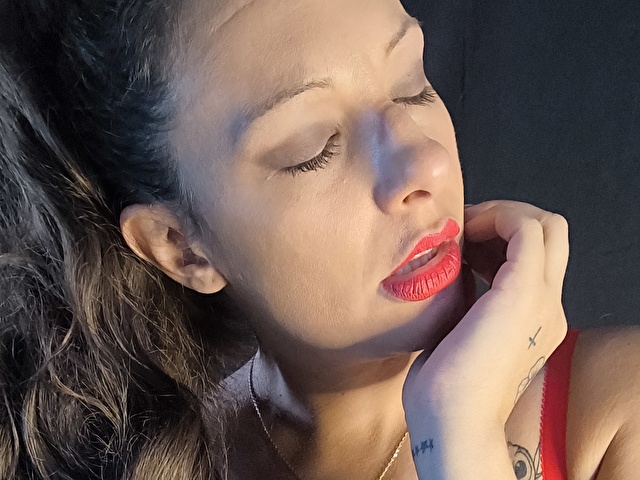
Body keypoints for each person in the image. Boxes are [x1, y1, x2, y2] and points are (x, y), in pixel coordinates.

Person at [1, 1, 639, 479]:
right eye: (313, 148)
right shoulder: (155, 461)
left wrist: (462, 432)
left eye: (412, 85)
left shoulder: (614, 413)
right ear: (181, 246)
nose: (427, 164)